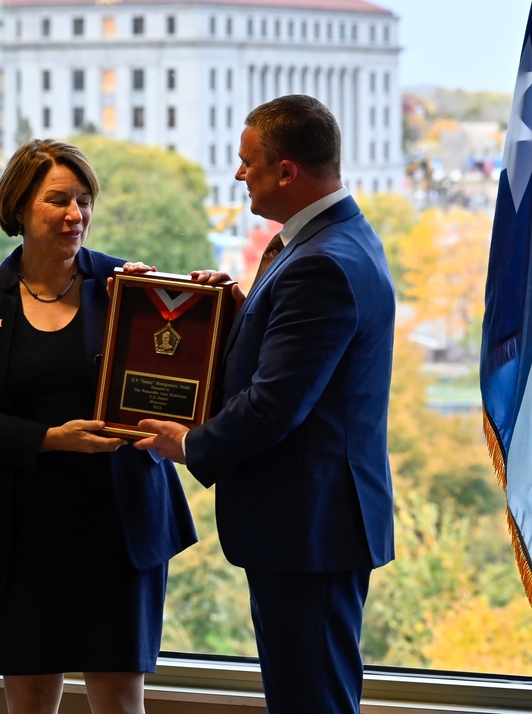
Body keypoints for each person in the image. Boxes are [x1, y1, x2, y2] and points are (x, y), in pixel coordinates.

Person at [133, 94, 396, 714]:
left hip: (310, 526)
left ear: (286, 171)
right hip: (314, 522)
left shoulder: (320, 263)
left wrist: (189, 444)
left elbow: (277, 402)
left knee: (310, 700)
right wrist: (229, 309)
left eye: (247, 161)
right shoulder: (331, 241)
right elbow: (290, 353)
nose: (237, 174)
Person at [0, 138, 198, 714]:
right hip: (20, 531)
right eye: (58, 200)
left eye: (83, 200)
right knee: (30, 701)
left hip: (118, 522)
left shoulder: (124, 287)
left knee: (119, 699)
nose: (74, 214)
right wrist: (53, 438)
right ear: (19, 208)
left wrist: (199, 302)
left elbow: (183, 378)